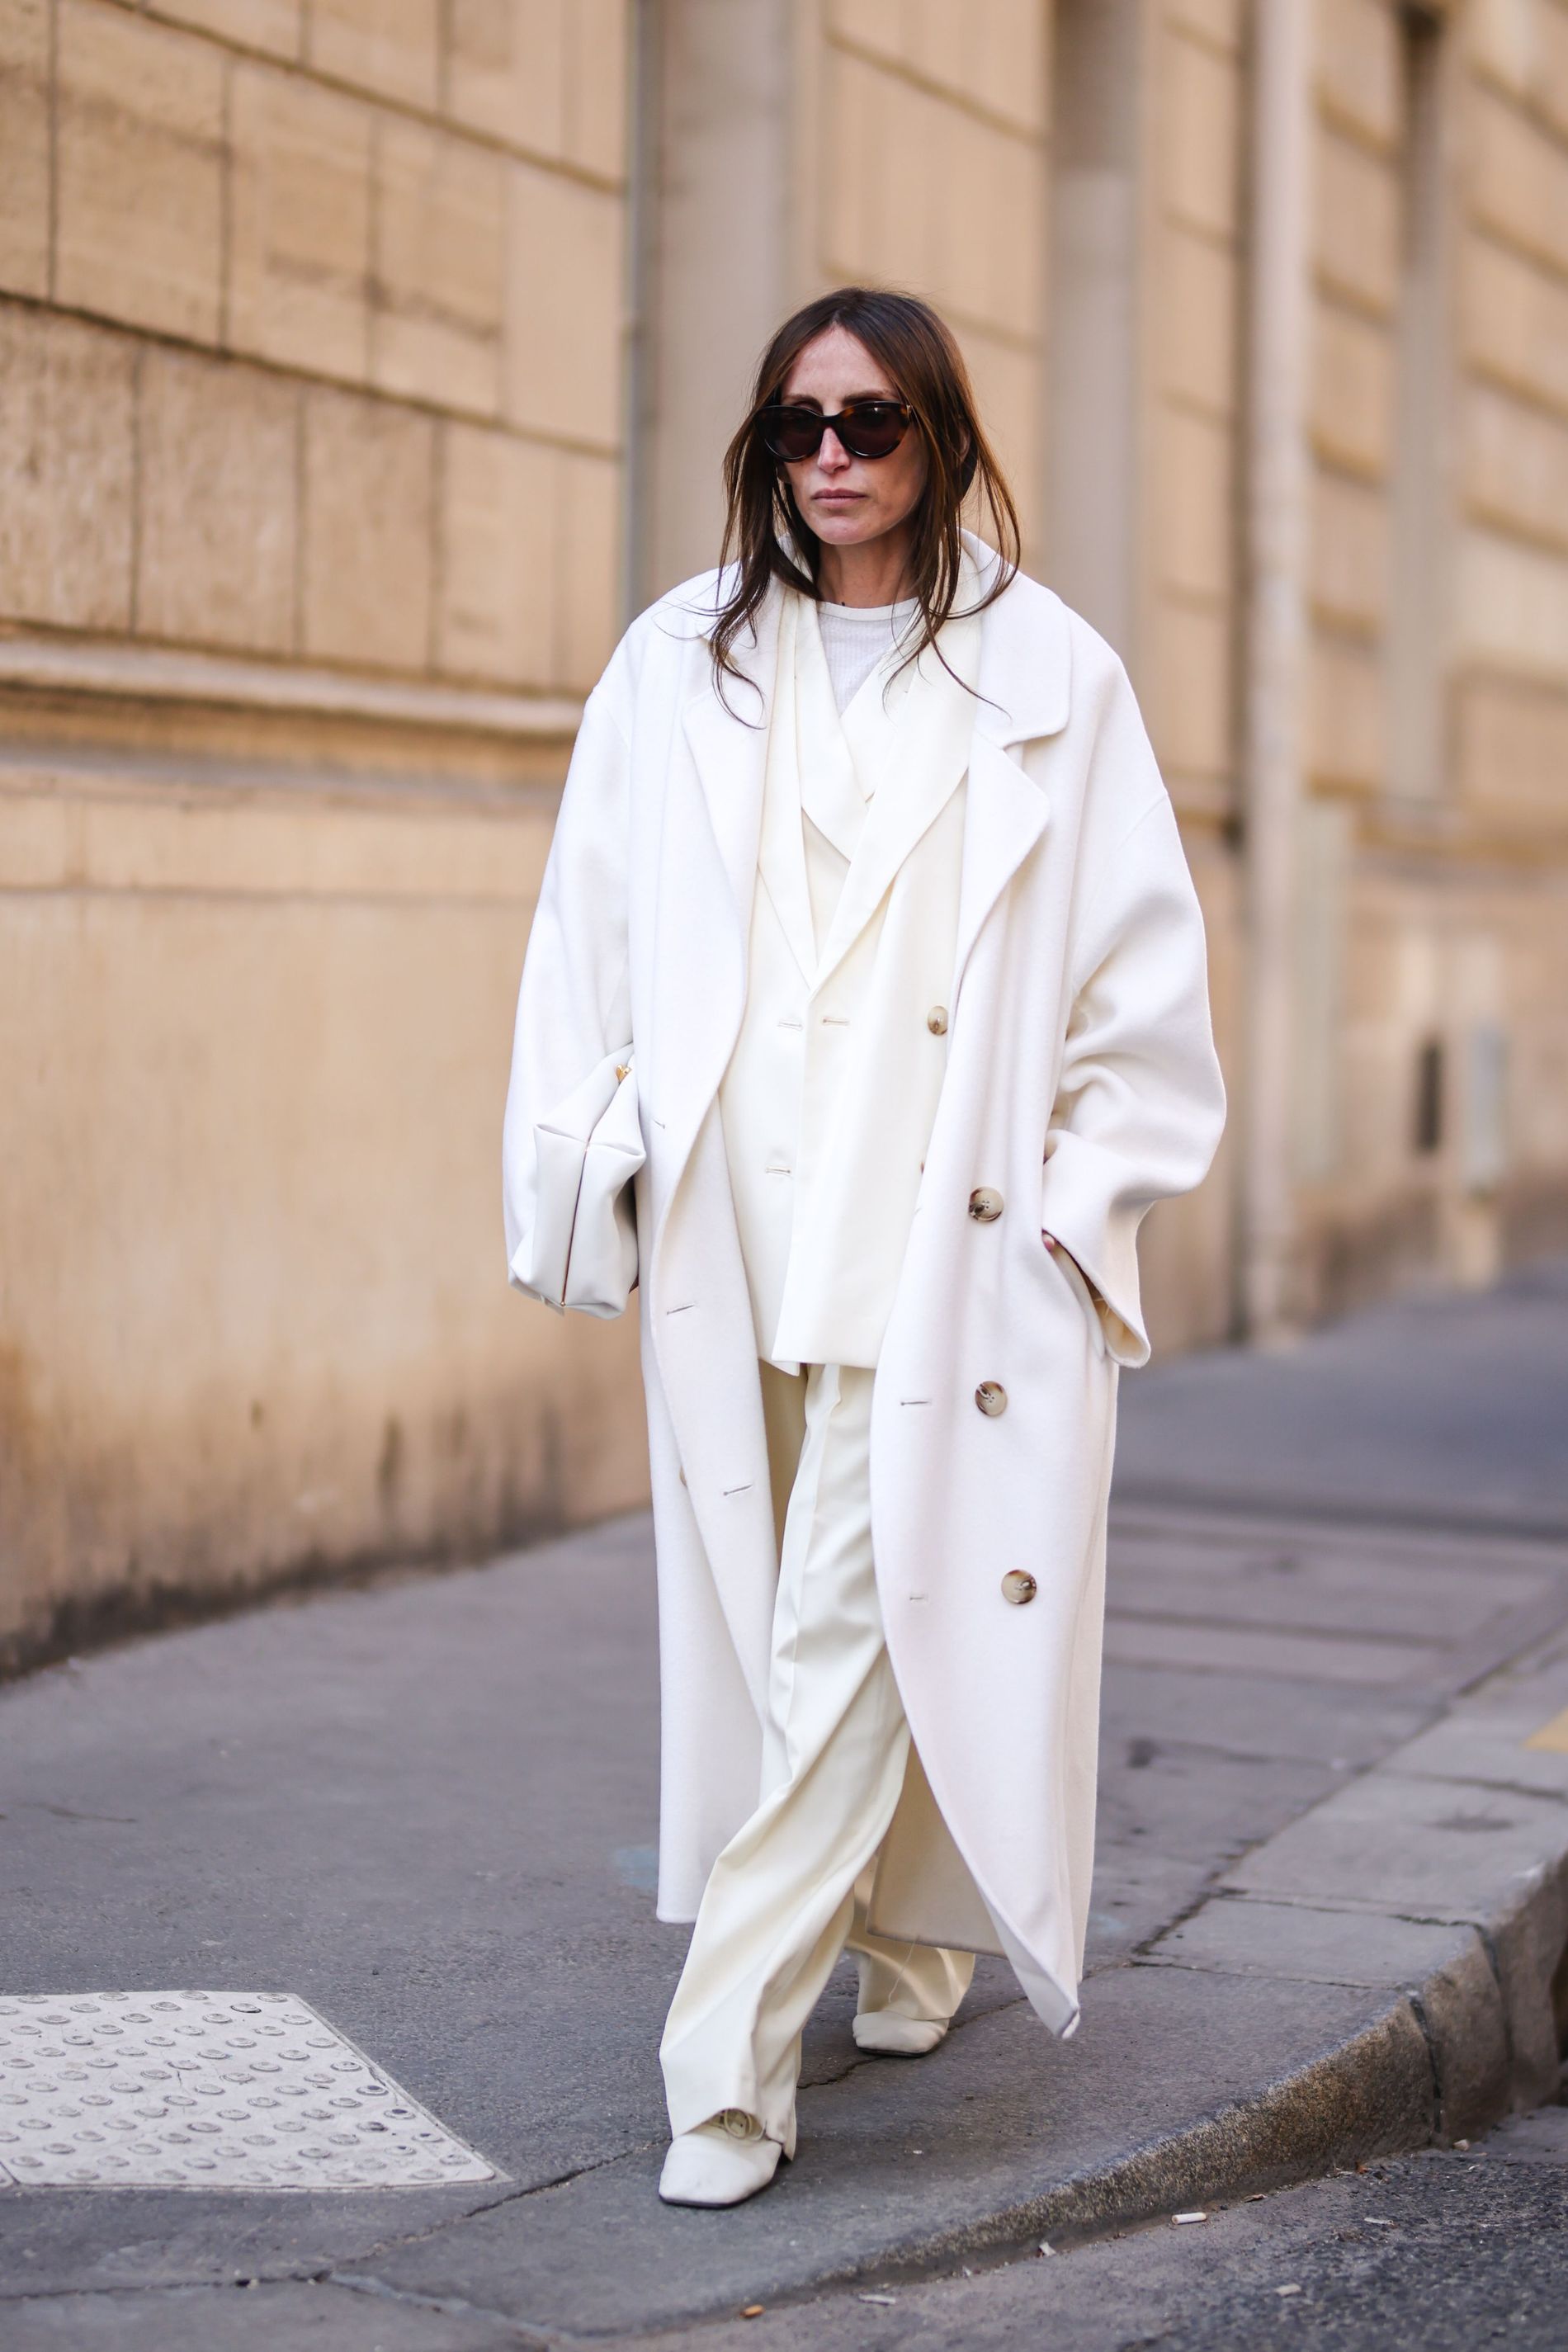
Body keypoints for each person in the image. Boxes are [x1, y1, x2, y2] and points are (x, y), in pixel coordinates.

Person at [503, 287, 1226, 2208]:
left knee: (842, 1612)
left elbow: (1139, 991)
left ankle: (724, 2063)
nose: (829, 459)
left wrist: (1070, 1219)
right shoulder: (675, 664)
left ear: (940, 438)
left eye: (871, 423)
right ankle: (913, 1937)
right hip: (735, 1227)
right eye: (795, 429)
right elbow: (584, 932)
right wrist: (584, 1154)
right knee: (782, 1630)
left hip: (941, 1249)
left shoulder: (1048, 676)